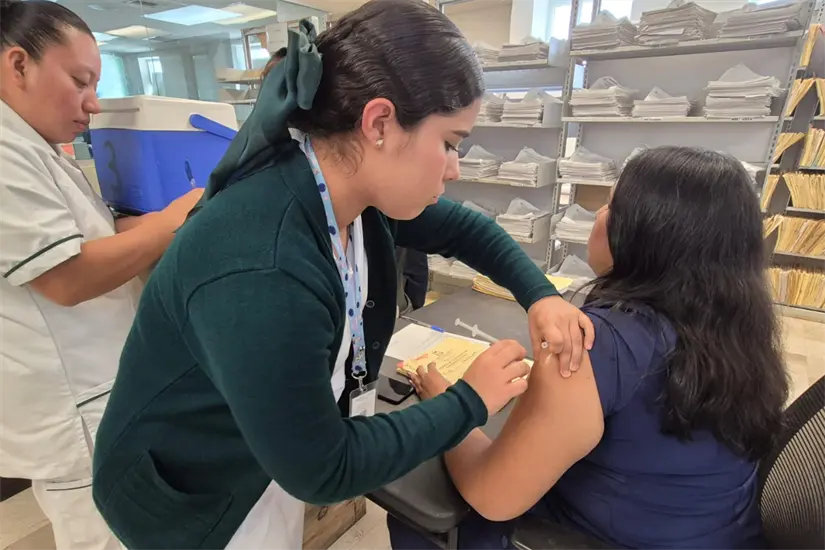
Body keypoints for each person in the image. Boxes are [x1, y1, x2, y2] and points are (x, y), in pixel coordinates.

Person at [91, 2, 594, 549]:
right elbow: (322, 470)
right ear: (379, 122)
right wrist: (469, 402)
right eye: (449, 143)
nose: (454, 167)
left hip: (264, 457)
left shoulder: (349, 189)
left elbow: (464, 230)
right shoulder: (264, 264)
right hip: (185, 499)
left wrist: (541, 296)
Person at [388, 146, 789, 550]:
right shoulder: (742, 328)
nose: (598, 215)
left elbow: (490, 495)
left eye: (610, 207)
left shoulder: (596, 346)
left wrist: (453, 406)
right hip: (726, 535)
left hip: (595, 536)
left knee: (415, 512)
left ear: (640, 235)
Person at [0, 1, 202, 549]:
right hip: (75, 415)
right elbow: (66, 277)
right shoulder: (5, 149)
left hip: (99, 399)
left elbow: (76, 239)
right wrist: (174, 220)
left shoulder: (38, 146)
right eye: (80, 80)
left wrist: (133, 226)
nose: (92, 103)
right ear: (18, 65)